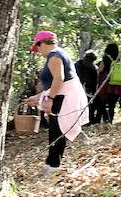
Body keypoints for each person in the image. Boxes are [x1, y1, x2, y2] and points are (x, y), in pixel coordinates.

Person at [31, 30, 89, 175]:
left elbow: (59, 79)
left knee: (57, 131)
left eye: (37, 47)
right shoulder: (57, 54)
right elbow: (56, 82)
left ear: (43, 43)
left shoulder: (55, 57)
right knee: (56, 130)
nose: (37, 51)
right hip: (62, 95)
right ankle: (51, 164)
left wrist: (49, 100)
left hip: (64, 97)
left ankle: (53, 166)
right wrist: (39, 97)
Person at [97, 42, 121, 124]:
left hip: (108, 85)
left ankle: (105, 120)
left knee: (103, 103)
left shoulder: (106, 58)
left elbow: (100, 70)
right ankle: (110, 121)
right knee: (112, 105)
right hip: (119, 86)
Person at [76, 49, 101, 125]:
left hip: (80, 87)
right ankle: (88, 120)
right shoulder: (94, 68)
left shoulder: (79, 64)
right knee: (89, 105)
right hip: (89, 89)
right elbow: (96, 82)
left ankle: (83, 121)